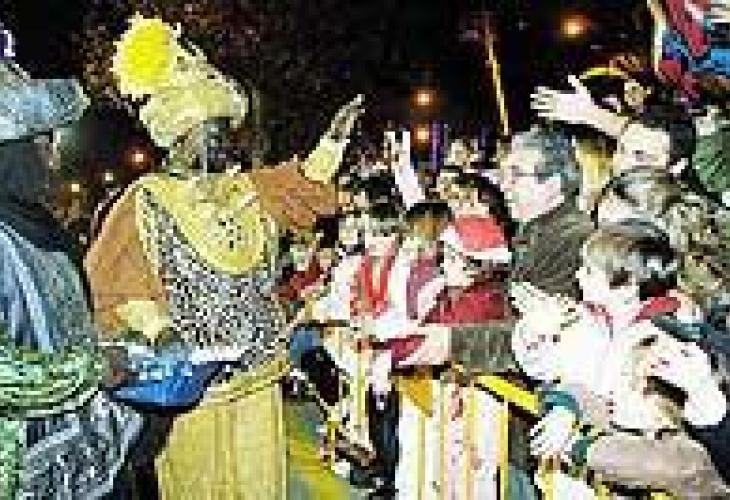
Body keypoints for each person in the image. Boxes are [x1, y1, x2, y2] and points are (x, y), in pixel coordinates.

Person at [85, 16, 358, 499]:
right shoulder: (146, 200)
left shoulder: (248, 189)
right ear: (179, 136)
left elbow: (304, 187)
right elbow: (116, 286)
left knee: (260, 482)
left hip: (258, 372)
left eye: (222, 131)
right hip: (193, 385)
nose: (219, 142)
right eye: (207, 132)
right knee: (198, 486)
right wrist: (160, 332)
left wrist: (333, 141)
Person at [0, 61, 141, 498]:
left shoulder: (44, 232)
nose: (52, 159)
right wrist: (95, 368)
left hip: (80, 449)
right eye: (41, 144)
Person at [512, 221, 729, 497]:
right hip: (594, 470)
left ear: (627, 288)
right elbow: (549, 371)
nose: (577, 276)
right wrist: (536, 335)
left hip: (640, 469)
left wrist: (580, 444)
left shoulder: (666, 339)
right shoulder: (584, 319)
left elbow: (661, 429)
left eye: (589, 271)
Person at [499, 127, 594, 299]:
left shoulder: (571, 240)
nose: (504, 186)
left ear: (553, 184)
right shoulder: (538, 230)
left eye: (516, 175)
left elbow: (533, 311)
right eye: (503, 177)